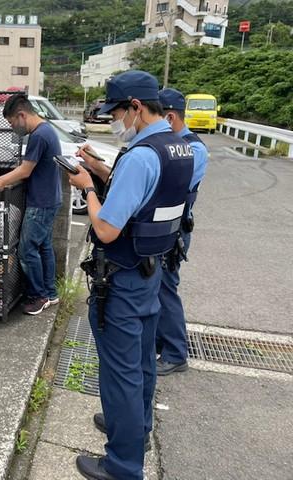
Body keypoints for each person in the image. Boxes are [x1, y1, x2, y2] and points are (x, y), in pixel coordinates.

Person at [67, 71, 194, 480]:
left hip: (121, 277)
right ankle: (135, 429)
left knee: (119, 371)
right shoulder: (178, 147)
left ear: (136, 107)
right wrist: (101, 171)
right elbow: (144, 196)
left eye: (117, 112)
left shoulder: (140, 156)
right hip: (152, 269)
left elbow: (106, 229)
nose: (114, 120)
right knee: (141, 362)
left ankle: (122, 464)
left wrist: (87, 187)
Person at [0, 93, 62, 315]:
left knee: (27, 250)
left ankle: (38, 296)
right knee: (44, 247)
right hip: (50, 199)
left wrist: (0, 182)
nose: (12, 128)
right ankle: (50, 293)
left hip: (41, 203)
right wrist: (1, 181)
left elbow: (25, 169)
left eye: (12, 123)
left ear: (21, 114)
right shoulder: (47, 130)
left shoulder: (39, 135)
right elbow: (29, 171)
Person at [155, 88, 209, 376]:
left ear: (170, 117)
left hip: (175, 231)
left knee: (166, 289)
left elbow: (171, 185)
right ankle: (162, 344)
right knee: (158, 287)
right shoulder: (173, 144)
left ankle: (176, 353)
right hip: (165, 227)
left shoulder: (193, 149)